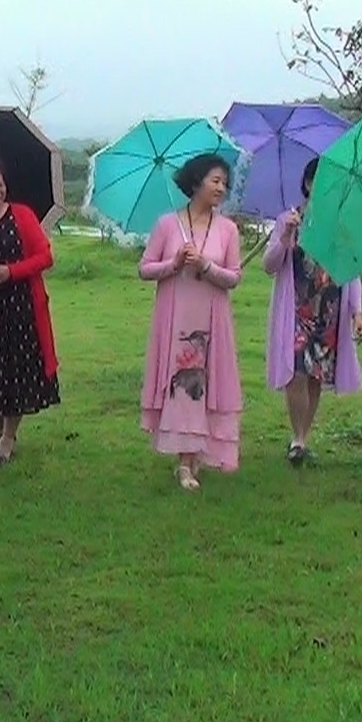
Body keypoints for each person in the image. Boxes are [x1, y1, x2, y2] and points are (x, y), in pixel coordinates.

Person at [138, 153, 244, 491]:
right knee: (183, 381)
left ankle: (202, 450)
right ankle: (184, 462)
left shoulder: (227, 229)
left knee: (209, 382)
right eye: (215, 180)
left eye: (225, 183)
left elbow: (234, 277)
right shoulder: (168, 225)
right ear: (196, 182)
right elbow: (144, 269)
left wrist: (206, 267)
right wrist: (173, 264)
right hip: (176, 317)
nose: (221, 188)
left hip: (213, 318)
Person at [262, 157, 362, 466]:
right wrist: (285, 238)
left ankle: (304, 438)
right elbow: (269, 266)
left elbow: (352, 270)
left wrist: (357, 312)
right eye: (319, 181)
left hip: (329, 310)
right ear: (308, 184)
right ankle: (296, 437)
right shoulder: (289, 219)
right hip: (296, 310)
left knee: (316, 376)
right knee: (295, 372)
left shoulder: (340, 225)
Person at [0, 163, 62, 465]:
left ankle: (9, 437)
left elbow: (45, 257)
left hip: (21, 308)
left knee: (17, 370)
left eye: (0, 185)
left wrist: (12, 271)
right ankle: (0, 426)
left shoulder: (21, 214)